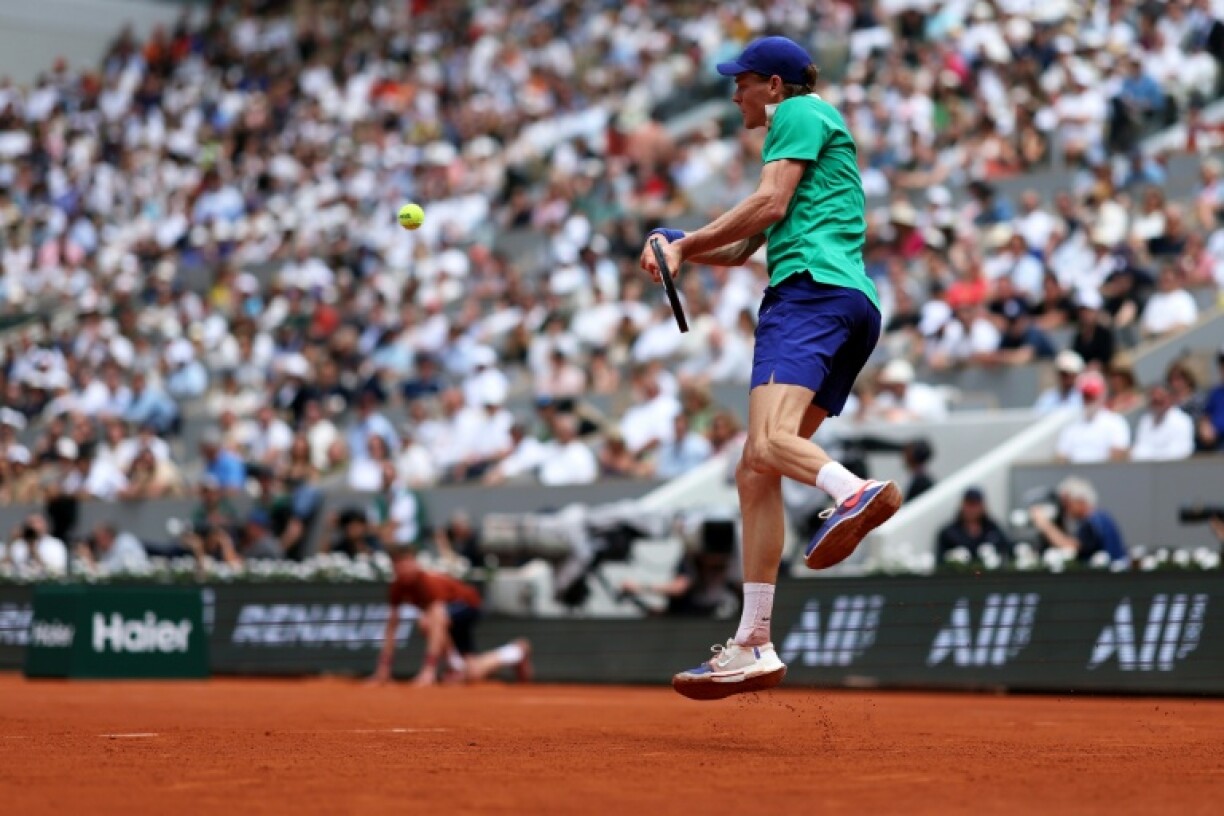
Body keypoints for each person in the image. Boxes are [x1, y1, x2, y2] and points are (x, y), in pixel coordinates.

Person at [640, 36, 900, 699]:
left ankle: (852, 492)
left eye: (744, 81)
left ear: (776, 85)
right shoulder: (806, 135)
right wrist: (682, 247)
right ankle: (754, 641)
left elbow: (770, 205)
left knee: (764, 442)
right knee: (756, 468)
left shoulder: (798, 114)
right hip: (848, 304)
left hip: (807, 296)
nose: (735, 94)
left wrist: (686, 242)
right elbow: (749, 238)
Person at [370, 548, 532, 687]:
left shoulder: (427, 582)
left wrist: (429, 669)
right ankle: (516, 651)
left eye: (406, 562)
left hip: (468, 605)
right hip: (450, 617)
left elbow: (438, 619)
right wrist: (383, 667)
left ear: (414, 561)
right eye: (397, 564)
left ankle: (446, 668)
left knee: (427, 622)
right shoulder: (397, 587)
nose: (403, 568)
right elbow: (392, 626)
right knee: (472, 673)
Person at [1030, 477, 1128, 568]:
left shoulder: (1093, 522)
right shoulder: (1102, 518)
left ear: (1080, 501)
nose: (1065, 509)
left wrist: (1045, 525)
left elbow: (1070, 548)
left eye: (1067, 503)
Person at [1054, 372, 1131, 463]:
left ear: (1102, 396)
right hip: (1074, 475)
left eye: (1092, 396)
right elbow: (1061, 457)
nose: (1088, 400)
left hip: (1105, 474)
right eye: (1086, 396)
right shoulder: (1072, 426)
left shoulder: (1115, 422)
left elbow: (1118, 455)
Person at [935, 488, 1012, 565]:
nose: (972, 510)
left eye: (975, 505)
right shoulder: (949, 533)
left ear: (983, 506)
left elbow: (1008, 549)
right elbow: (940, 560)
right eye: (969, 505)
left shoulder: (993, 529)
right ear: (962, 506)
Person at [1130, 384, 1195, 461]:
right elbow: (1138, 451)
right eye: (1154, 401)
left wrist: (1151, 455)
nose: (1157, 403)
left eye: (1161, 400)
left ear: (1170, 398)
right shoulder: (1145, 420)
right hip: (1147, 469)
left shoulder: (1183, 421)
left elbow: (1181, 451)